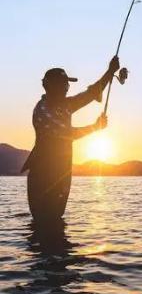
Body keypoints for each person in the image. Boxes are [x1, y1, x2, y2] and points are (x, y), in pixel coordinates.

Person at [21, 56, 121, 221]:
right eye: (63, 85)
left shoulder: (65, 105)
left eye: (67, 85)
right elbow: (65, 134)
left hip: (62, 173)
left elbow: (90, 94)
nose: (67, 88)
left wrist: (110, 72)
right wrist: (95, 127)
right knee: (44, 221)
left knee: (55, 220)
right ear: (50, 86)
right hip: (43, 176)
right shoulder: (42, 110)